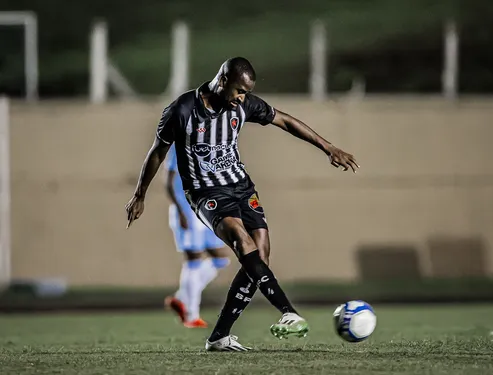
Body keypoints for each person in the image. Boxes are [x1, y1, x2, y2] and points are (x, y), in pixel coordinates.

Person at [125, 57, 359, 352]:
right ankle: (288, 311)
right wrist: (139, 194)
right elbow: (157, 153)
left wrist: (328, 147)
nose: (242, 99)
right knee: (240, 239)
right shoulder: (181, 110)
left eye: (246, 93)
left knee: (260, 254)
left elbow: (285, 120)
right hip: (205, 191)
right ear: (222, 81)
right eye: (238, 91)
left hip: (241, 186)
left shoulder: (243, 105)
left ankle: (219, 336)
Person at [163, 145, 230, 328]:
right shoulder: (180, 146)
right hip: (186, 209)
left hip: (206, 210)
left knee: (221, 259)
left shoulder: (211, 143)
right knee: (193, 259)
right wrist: (180, 211)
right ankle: (191, 315)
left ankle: (181, 298)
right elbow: (168, 183)